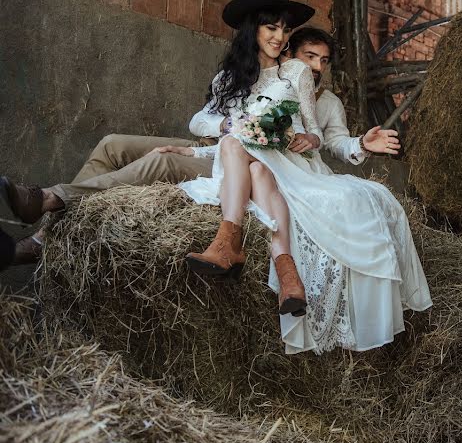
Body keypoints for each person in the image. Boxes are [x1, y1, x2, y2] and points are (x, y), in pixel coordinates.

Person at [177, 0, 432, 354]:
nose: (279, 37)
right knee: (241, 151)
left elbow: (316, 131)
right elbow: (199, 121)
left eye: (284, 30)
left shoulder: (294, 74)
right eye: (271, 28)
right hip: (242, 158)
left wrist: (324, 141)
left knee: (257, 165)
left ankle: (228, 243)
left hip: (283, 162)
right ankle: (286, 274)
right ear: (254, 29)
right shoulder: (229, 79)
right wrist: (229, 126)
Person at [1, 26, 398, 265]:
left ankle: (48, 215)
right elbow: (201, 121)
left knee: (158, 165)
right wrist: (229, 123)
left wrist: (360, 143)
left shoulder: (325, 102)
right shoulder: (254, 77)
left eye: (324, 61)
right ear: (290, 55)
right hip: (216, 146)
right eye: (309, 56)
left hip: (248, 162)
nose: (316, 66)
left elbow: (332, 142)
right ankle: (49, 235)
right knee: (112, 145)